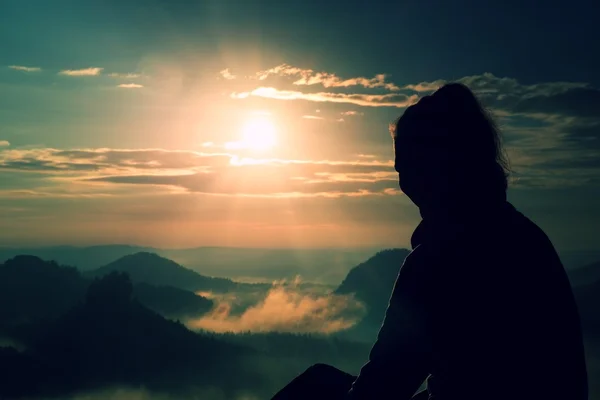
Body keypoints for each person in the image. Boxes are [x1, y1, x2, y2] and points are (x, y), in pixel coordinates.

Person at [270, 83, 588, 400]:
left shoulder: (438, 260)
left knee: (314, 387)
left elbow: (382, 387)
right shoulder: (527, 238)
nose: (403, 184)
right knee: (322, 379)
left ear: (436, 168)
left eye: (406, 169)